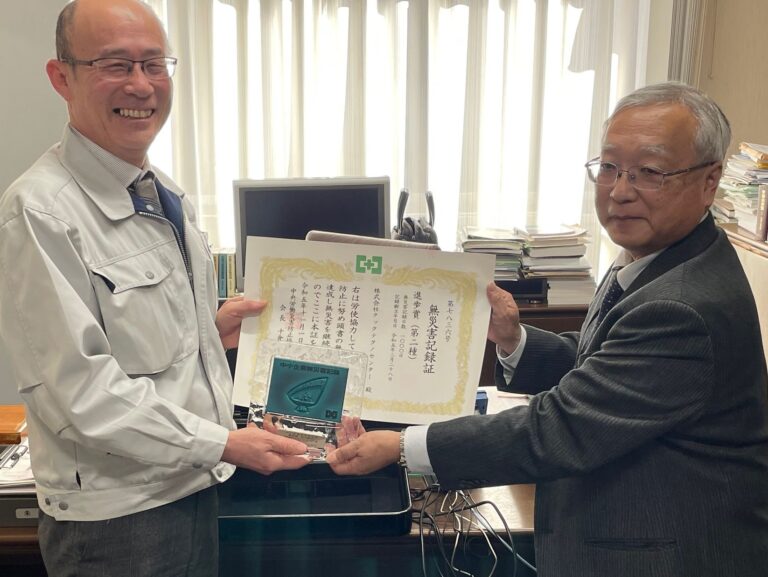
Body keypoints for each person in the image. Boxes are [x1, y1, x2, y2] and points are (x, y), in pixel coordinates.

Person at [328, 82, 768, 576]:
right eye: (609, 167)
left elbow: (559, 427)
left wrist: (402, 446)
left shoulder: (683, 305)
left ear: (710, 181)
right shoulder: (657, 257)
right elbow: (604, 364)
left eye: (650, 172)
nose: (620, 191)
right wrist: (514, 339)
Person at [0, 1, 310, 575]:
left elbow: (138, 335)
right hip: (118, 520)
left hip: (189, 486)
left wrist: (210, 330)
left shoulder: (162, 193)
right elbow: (79, 393)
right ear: (61, 77)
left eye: (154, 64)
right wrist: (225, 443)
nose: (141, 85)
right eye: (115, 65)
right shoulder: (41, 211)